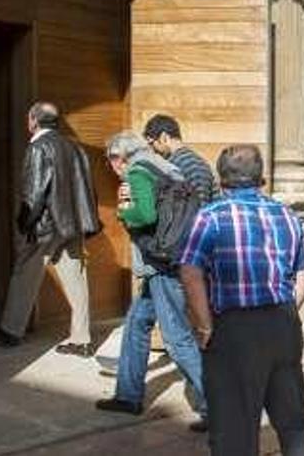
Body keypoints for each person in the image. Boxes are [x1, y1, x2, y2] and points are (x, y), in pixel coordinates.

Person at [178, 145, 304, 455]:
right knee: (293, 422)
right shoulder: (287, 215)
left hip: (234, 329)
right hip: (283, 323)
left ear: (222, 180)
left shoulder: (210, 217)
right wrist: (290, 310)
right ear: (260, 179)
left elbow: (190, 272)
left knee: (234, 428)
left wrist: (204, 326)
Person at [95, 132, 207, 431]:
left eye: (111, 162)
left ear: (119, 158)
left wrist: (123, 213)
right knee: (136, 323)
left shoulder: (138, 170)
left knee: (176, 338)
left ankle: (216, 406)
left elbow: (144, 214)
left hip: (161, 263)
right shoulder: (164, 165)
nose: (113, 168)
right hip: (170, 257)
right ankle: (128, 396)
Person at [0, 102, 101, 355]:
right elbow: (88, 189)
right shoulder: (74, 147)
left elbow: (34, 193)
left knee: (25, 272)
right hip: (73, 225)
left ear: (33, 121)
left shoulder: (39, 147)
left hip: (45, 226)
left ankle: (11, 330)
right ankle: (82, 339)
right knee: (76, 280)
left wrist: (24, 223)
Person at [143, 114, 220, 203]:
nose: (153, 150)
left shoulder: (191, 165)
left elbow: (200, 206)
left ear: (164, 137)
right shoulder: (180, 162)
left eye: (152, 143)